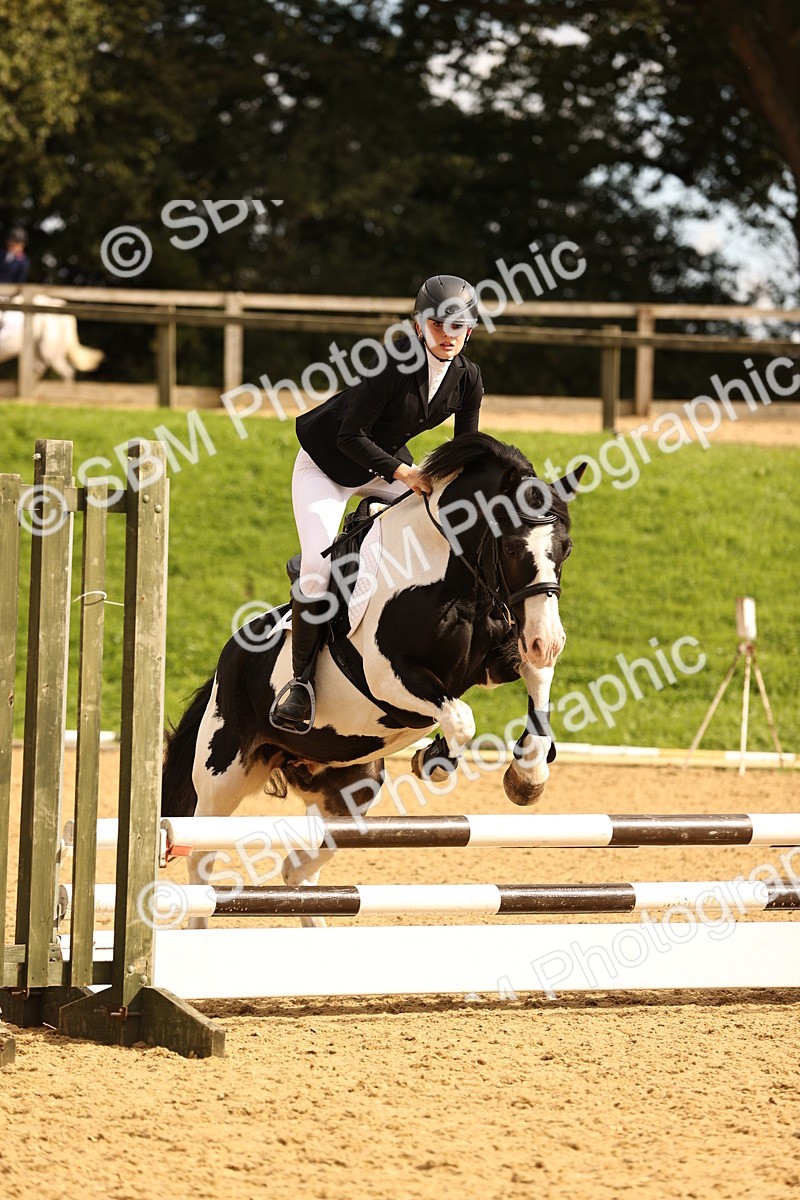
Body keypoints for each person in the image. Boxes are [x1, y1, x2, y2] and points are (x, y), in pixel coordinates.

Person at [270, 273, 484, 733]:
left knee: (443, 523)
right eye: (439, 325)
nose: (449, 336)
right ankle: (299, 684)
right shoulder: (393, 364)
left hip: (385, 466)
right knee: (316, 569)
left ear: (470, 330)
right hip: (328, 467)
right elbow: (350, 436)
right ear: (418, 324)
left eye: (459, 326)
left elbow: (464, 451)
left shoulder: (468, 378)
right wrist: (405, 474)